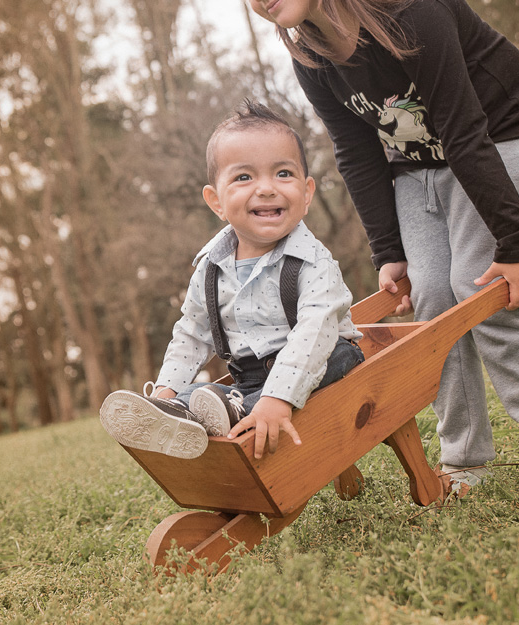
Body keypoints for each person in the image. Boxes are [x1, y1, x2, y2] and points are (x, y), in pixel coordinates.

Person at [213, 0, 519, 503]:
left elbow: (467, 130)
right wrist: (389, 252)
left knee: (484, 291)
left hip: (495, 138)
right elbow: (357, 153)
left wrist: (516, 243)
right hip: (417, 162)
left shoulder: (412, 10)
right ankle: (463, 465)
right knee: (431, 307)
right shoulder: (310, 53)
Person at [99, 99, 364, 461]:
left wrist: (277, 399)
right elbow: (191, 333)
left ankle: (234, 410)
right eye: (244, 177)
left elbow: (315, 333)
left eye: (283, 173)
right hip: (249, 379)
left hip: (324, 361)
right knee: (194, 395)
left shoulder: (312, 262)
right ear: (216, 202)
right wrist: (165, 390)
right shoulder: (211, 268)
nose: (267, 188)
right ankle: (173, 412)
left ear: (306, 193)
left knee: (326, 358)